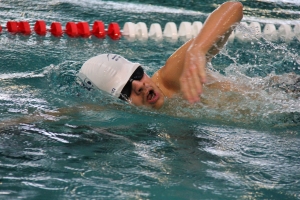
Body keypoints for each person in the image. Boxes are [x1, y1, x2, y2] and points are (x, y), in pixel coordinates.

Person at [77, 1, 244, 110]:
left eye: (137, 74)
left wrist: (197, 50)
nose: (140, 86)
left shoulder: (171, 78)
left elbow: (234, 8)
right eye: (126, 90)